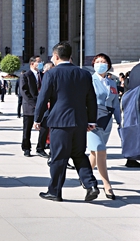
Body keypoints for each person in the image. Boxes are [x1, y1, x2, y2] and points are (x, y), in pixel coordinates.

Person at [34, 41, 100, 202]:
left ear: (56, 56)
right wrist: (92, 120)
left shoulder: (51, 74)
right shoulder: (84, 74)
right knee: (79, 154)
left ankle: (54, 191)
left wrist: (37, 119)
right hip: (80, 121)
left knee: (58, 157)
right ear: (70, 56)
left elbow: (43, 99)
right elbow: (91, 99)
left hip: (59, 122)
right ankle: (91, 185)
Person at [87, 53, 121, 199]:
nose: (100, 64)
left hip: (107, 122)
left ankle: (85, 176)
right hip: (92, 122)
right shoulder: (89, 80)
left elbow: (115, 104)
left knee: (95, 153)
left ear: (108, 65)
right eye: (98, 61)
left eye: (104, 61)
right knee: (101, 151)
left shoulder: (112, 83)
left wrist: (120, 121)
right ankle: (107, 185)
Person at [21, 56, 49, 158]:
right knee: (27, 129)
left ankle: (40, 148)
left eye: (41, 61)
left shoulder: (44, 75)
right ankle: (26, 148)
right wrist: (35, 104)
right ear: (32, 63)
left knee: (45, 127)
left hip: (43, 106)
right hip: (30, 106)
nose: (40, 63)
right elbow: (24, 92)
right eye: (38, 62)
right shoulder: (25, 75)